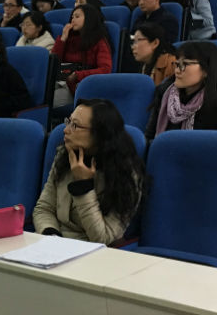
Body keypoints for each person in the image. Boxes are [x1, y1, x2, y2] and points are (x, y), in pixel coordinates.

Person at [33, 98, 145, 243]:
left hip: (93, 250)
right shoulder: (64, 155)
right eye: (68, 122)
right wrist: (52, 236)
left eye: (75, 125)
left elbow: (103, 238)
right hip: (55, 241)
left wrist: (83, 187)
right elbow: (44, 209)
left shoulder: (127, 174)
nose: (66, 130)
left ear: (100, 134)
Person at [146, 42, 217, 139]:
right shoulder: (164, 93)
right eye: (177, 64)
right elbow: (149, 137)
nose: (177, 71)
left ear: (206, 70)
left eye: (185, 64)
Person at [51, 4, 112, 99]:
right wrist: (62, 39)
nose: (73, 20)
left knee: (52, 99)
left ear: (88, 19)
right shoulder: (69, 39)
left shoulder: (98, 41)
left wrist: (78, 75)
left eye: (77, 16)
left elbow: (105, 69)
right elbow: (54, 62)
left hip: (84, 86)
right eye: (72, 17)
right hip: (62, 82)